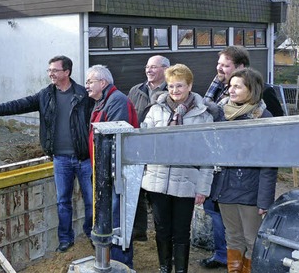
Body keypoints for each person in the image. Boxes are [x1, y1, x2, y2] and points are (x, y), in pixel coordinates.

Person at [0, 55, 94, 253]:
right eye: (49, 70)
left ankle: (91, 234)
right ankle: (65, 239)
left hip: (84, 158)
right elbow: (19, 104)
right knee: (63, 201)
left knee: (91, 200)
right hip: (60, 159)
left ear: (67, 72)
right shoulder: (45, 95)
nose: (50, 74)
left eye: (55, 70)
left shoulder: (83, 94)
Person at [200, 45, 284, 269]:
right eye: (230, 86)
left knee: (252, 238)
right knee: (233, 237)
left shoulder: (262, 117)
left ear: (251, 89)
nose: (231, 90)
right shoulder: (221, 114)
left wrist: (264, 199)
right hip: (225, 188)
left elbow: (268, 164)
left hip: (250, 190)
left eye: (237, 86)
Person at [141, 64, 214, 273]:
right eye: (171, 86)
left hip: (186, 180)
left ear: (189, 86)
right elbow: (144, 142)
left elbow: (208, 156)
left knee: (181, 231)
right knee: (161, 229)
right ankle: (165, 267)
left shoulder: (203, 115)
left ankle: (180, 270)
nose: (174, 91)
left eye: (179, 86)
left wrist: (203, 187)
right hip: (157, 179)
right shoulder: (156, 110)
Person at [86, 64, 139, 268]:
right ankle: (111, 261)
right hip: (104, 174)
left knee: (116, 221)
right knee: (108, 219)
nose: (87, 86)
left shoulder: (117, 101)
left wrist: (108, 175)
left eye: (90, 81)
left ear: (103, 82)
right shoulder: (103, 101)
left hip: (115, 176)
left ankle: (121, 264)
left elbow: (117, 140)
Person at [127, 55, 170, 242]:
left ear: (165, 70)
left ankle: (164, 232)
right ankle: (139, 231)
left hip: (161, 151)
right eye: (147, 67)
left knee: (159, 194)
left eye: (154, 67)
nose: (149, 70)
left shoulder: (173, 91)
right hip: (138, 148)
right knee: (136, 190)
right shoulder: (135, 90)